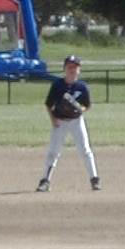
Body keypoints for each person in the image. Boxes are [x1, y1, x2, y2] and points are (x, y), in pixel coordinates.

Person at [36, 55, 100, 192]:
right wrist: (53, 120)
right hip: (59, 121)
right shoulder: (57, 85)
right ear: (64, 69)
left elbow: (87, 105)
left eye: (75, 67)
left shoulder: (82, 86)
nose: (72, 70)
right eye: (69, 67)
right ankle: (45, 181)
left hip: (76, 121)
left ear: (79, 70)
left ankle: (95, 179)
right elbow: (48, 104)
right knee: (53, 152)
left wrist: (79, 109)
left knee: (85, 150)